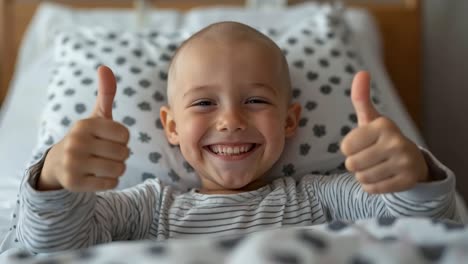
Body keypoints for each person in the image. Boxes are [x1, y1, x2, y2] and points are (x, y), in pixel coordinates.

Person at [17, 22, 458, 254]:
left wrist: (410, 174)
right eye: (205, 104)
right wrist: (57, 178)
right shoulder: (150, 207)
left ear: (290, 122)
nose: (229, 121)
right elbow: (55, 247)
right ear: (170, 127)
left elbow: (420, 224)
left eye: (255, 101)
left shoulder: (321, 197)